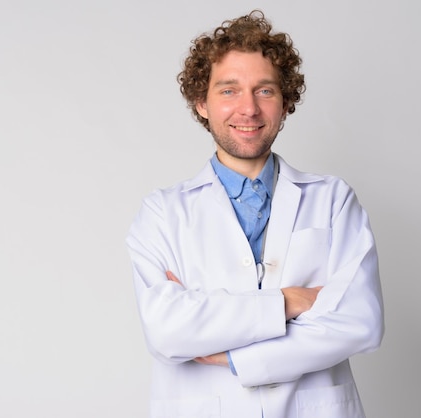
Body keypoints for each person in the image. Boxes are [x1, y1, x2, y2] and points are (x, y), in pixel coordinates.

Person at [125, 9, 384, 418]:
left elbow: (360, 322)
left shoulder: (333, 200)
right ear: (202, 103)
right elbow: (167, 331)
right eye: (228, 91)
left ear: (285, 103)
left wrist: (231, 354)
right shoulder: (163, 213)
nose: (248, 109)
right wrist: (285, 302)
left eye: (264, 91)